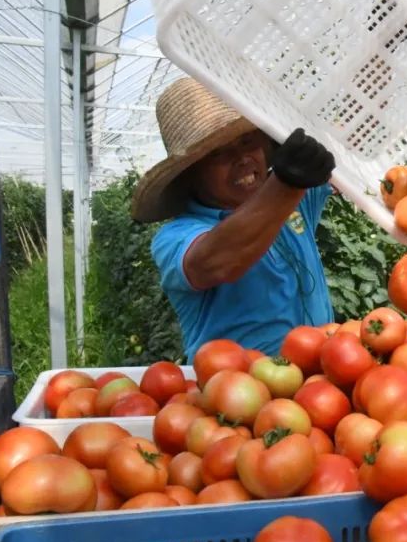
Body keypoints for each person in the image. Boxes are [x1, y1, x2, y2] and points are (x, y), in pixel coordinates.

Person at [131, 77, 337, 362]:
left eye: (248, 141)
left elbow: (355, 131)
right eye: (217, 153)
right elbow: (214, 262)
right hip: (234, 398)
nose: (241, 158)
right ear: (191, 173)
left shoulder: (294, 200)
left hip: (319, 385)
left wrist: (383, 43)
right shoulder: (176, 236)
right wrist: (286, 184)